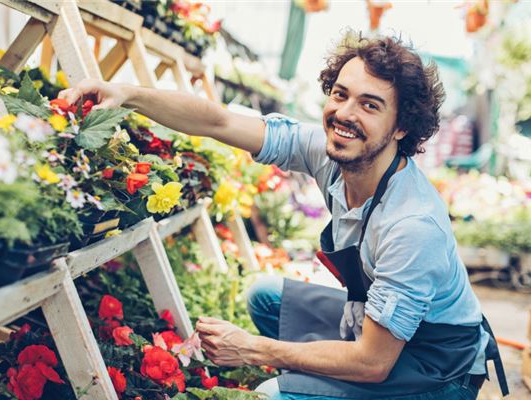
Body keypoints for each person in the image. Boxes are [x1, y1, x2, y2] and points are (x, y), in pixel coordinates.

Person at [59, 33, 508, 400]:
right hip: (382, 328)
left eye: (370, 105)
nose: (345, 115)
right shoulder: (329, 153)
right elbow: (218, 122)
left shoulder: (412, 224)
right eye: (340, 94)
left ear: (402, 126)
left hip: (435, 363)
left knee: (275, 394)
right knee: (265, 297)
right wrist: (128, 95)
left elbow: (374, 363)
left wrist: (253, 349)